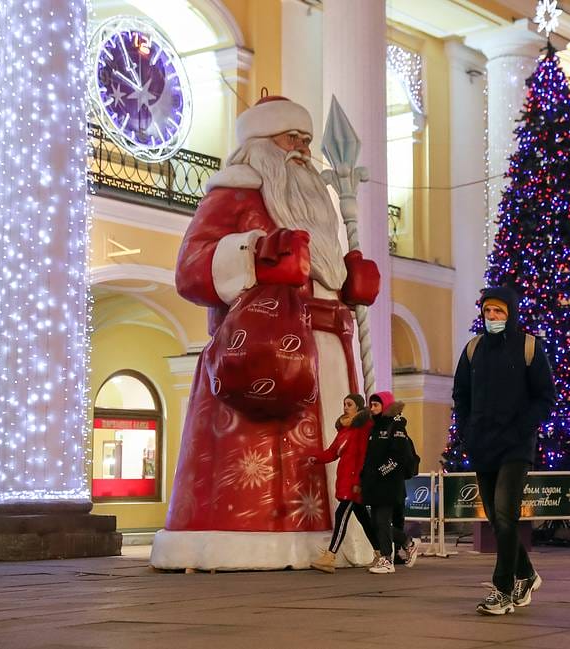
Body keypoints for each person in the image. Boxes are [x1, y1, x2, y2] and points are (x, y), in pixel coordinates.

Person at [152, 94, 380, 570]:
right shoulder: (232, 194)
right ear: (258, 143)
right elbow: (191, 269)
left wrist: (348, 281)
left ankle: (334, 538)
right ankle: (243, 540)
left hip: (331, 350)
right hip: (265, 350)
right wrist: (255, 256)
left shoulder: (317, 204)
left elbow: (322, 271)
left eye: (305, 140)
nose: (302, 149)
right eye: (290, 138)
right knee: (261, 459)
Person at [451, 286, 555, 615]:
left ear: (510, 314)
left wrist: (523, 426)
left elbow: (545, 397)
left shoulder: (528, 347)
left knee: (506, 514)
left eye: (498, 311)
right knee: (497, 519)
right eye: (487, 311)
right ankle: (527, 574)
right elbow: (461, 395)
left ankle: (503, 590)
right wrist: (467, 430)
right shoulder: (473, 350)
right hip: (483, 445)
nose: (492, 316)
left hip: (516, 445)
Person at [307, 394, 380, 572]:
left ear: (358, 407)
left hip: (354, 481)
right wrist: (316, 458)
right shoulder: (344, 429)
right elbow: (333, 452)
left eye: (349, 404)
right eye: (344, 404)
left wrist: (358, 481)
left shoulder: (363, 428)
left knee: (341, 515)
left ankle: (330, 556)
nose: (345, 407)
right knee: (365, 520)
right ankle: (382, 552)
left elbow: (363, 456)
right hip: (345, 478)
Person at [361, 391, 419, 574]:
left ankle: (387, 559)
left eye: (376, 405)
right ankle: (407, 542)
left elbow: (398, 457)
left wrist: (380, 472)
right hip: (375, 483)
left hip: (389, 483)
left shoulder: (395, 426)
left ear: (385, 406)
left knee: (382, 521)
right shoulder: (375, 427)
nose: (372, 408)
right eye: (371, 405)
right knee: (377, 523)